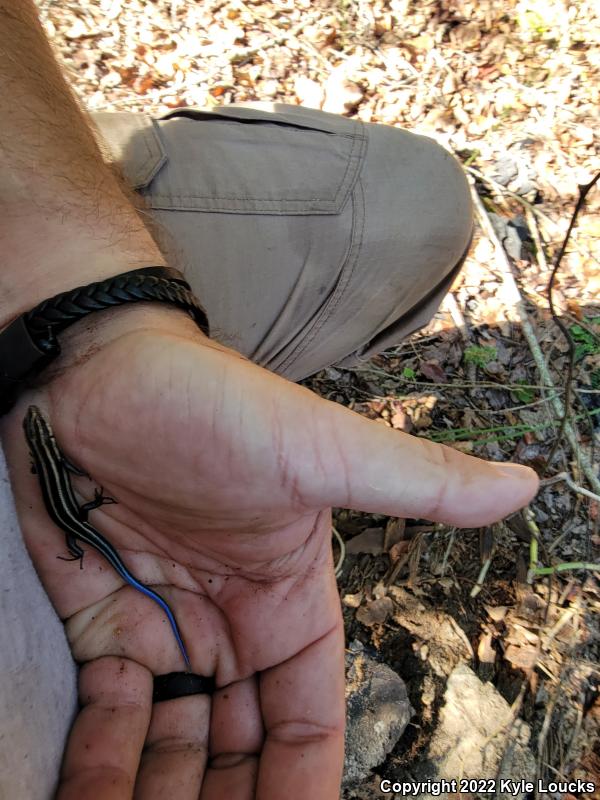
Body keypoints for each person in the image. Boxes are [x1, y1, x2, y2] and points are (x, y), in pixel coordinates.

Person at [0, 2, 539, 798]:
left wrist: (89, 321)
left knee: (406, 205)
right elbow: (69, 491)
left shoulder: (60, 464)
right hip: (74, 579)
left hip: (47, 375)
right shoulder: (66, 484)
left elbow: (63, 475)